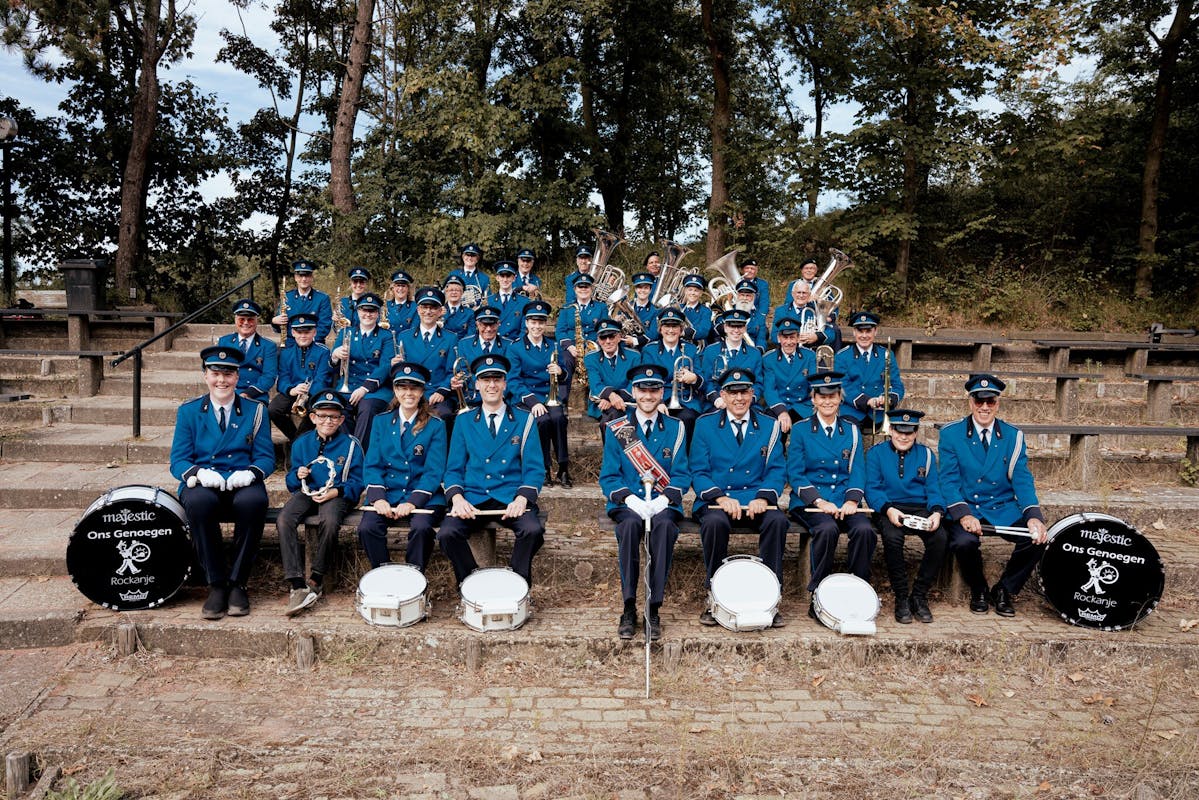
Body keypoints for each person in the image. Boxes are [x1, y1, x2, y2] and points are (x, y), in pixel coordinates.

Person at [169, 346, 275, 620]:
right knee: (198, 503)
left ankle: (238, 582)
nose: (221, 380)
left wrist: (251, 473)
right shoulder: (189, 411)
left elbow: (265, 457)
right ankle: (216, 583)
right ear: (205, 375)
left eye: (228, 374)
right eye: (215, 373)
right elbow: (178, 460)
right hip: (205, 481)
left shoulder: (256, 411)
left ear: (237, 377)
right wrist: (198, 473)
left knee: (254, 501)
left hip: (241, 479)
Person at [938, 374, 1048, 617]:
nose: (985, 407)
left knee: (1037, 539)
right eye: (979, 401)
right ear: (970, 402)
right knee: (963, 542)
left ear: (998, 403)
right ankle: (978, 589)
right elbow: (948, 480)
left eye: (991, 401)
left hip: (1001, 508)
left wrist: (1033, 515)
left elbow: (1021, 478)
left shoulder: (1013, 436)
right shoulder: (951, 434)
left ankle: (1004, 590)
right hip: (967, 506)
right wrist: (963, 514)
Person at [437, 354, 546, 588]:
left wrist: (522, 498)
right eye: (486, 380)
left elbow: (535, 469)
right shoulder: (464, 421)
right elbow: (453, 469)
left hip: (510, 496)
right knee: (446, 534)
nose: (492, 385)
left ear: (505, 383)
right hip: (474, 497)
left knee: (533, 530)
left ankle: (516, 586)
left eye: (497, 379)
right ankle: (472, 583)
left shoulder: (524, 420)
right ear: (476, 384)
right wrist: (457, 498)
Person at [691, 367, 789, 627]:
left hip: (755, 498)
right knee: (714, 523)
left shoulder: (769, 425)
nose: (739, 398)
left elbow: (777, 469)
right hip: (718, 500)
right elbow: (699, 471)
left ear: (752, 394)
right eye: (732, 393)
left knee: (777, 521)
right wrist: (720, 498)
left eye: (744, 392)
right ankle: (714, 597)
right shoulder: (705, 424)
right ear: (723, 395)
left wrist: (764, 498)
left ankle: (771, 599)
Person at [599, 364, 690, 641]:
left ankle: (653, 607)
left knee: (664, 528)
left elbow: (682, 473)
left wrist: (664, 499)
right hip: (628, 504)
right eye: (642, 390)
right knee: (628, 528)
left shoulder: (676, 427)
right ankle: (629, 607)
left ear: (662, 393)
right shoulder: (617, 428)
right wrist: (629, 499)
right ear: (633, 392)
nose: (648, 396)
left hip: (663, 503)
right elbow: (609, 476)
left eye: (654, 390)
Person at [787, 371, 876, 621]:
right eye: (822, 397)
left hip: (844, 499)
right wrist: (819, 501)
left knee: (865, 530)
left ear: (840, 398)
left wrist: (852, 500)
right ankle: (819, 594)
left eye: (833, 396)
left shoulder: (852, 430)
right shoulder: (801, 429)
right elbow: (795, 474)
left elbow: (858, 470)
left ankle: (858, 588)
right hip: (810, 501)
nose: (827, 401)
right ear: (813, 399)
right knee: (827, 530)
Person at [275, 390, 365, 616]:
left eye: (334, 417)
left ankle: (316, 578)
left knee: (330, 520)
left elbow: (358, 482)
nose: (328, 421)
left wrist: (336, 492)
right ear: (313, 417)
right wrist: (298, 475)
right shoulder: (301, 443)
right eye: (323, 416)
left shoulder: (352, 445)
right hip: (308, 492)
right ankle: (296, 583)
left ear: (341, 420)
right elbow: (291, 481)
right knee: (284, 519)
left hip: (336, 494)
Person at [358, 362, 448, 572]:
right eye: (402, 387)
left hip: (423, 495)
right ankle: (384, 573)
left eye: (414, 388)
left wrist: (412, 502)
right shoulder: (380, 422)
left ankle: (413, 578)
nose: (408, 393)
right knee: (367, 528)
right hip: (388, 493)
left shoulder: (436, 425)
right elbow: (372, 465)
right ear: (395, 390)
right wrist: (378, 498)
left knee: (422, 528)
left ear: (422, 392)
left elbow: (434, 471)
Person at [864, 409, 946, 624]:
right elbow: (872, 488)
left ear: (916, 433)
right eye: (899, 431)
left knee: (940, 537)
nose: (903, 436)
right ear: (891, 430)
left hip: (920, 507)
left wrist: (937, 512)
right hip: (889, 507)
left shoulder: (927, 455)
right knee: (893, 538)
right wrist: (888, 509)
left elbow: (934, 488)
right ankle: (901, 596)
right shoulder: (875, 454)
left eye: (909, 432)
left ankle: (919, 595)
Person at [508, 300, 572, 487]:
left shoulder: (553, 345)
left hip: (549, 395)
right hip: (527, 397)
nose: (537, 326)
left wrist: (560, 371)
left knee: (559, 418)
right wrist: (533, 402)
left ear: (545, 324)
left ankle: (563, 468)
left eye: (541, 322)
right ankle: (544, 468)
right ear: (526, 323)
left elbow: (565, 376)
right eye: (533, 322)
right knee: (542, 421)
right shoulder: (515, 347)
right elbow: (513, 381)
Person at [329, 292, 395, 447]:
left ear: (378, 313)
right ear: (358, 311)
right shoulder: (346, 332)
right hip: (349, 384)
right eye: (364, 310)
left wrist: (365, 388)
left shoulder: (386, 336)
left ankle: (357, 451)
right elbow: (332, 364)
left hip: (375, 388)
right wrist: (335, 355)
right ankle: (347, 448)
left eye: (372, 311)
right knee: (337, 408)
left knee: (367, 407)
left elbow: (385, 366)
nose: (368, 314)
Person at [638, 307, 703, 441]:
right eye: (667, 326)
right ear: (660, 329)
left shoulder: (690, 349)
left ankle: (683, 453)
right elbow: (648, 380)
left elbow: (701, 376)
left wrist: (693, 378)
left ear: (681, 329)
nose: (671, 330)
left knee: (688, 419)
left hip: (685, 399)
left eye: (675, 326)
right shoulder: (650, 350)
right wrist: (658, 402)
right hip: (658, 398)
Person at [834, 311, 904, 431]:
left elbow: (897, 384)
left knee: (903, 431)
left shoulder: (887, 354)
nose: (864, 335)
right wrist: (866, 401)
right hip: (853, 410)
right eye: (860, 331)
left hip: (880, 412)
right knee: (850, 432)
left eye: (868, 331)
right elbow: (843, 386)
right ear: (854, 332)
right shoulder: (842, 356)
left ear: (875, 331)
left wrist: (888, 398)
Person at [269, 313, 333, 441]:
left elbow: (322, 379)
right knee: (273, 409)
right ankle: (296, 439)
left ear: (314, 332)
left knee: (314, 411)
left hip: (314, 393)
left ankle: (299, 441)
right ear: (293, 333)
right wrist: (291, 390)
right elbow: (283, 378)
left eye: (307, 332)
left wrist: (307, 392)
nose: (303, 335)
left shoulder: (323, 352)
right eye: (299, 332)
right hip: (293, 390)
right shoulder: (286, 353)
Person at [396, 287, 455, 421]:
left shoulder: (450, 338)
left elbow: (452, 371)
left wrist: (441, 391)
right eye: (424, 307)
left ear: (440, 311)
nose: (428, 311)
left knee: (442, 415)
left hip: (437, 392)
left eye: (433, 308)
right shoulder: (404, 337)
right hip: (411, 392)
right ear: (418, 310)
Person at [761, 317, 818, 432]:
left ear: (798, 338)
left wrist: (816, 402)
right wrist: (781, 411)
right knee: (774, 428)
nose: (788, 342)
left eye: (792, 337)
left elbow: (814, 383)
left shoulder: (809, 356)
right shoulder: (769, 359)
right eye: (785, 338)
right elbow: (769, 390)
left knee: (810, 430)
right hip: (779, 403)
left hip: (802, 405)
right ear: (779, 338)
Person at [699, 309, 763, 409]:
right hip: (719, 403)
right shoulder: (710, 351)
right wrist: (715, 398)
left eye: (740, 326)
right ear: (725, 328)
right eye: (732, 326)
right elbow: (707, 381)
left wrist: (748, 400)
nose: (736, 330)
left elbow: (758, 384)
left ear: (745, 328)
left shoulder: (755, 353)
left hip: (746, 404)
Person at [217, 299, 277, 403]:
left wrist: (248, 393)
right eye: (241, 319)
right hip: (228, 392)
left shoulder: (268, 346)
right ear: (235, 320)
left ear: (256, 321)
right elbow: (217, 370)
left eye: (250, 319)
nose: (246, 323)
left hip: (255, 395)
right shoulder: (225, 342)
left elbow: (269, 376)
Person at [452, 305, 507, 411]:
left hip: (500, 396)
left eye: (492, 324)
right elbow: (462, 371)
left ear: (498, 324)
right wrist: (457, 381)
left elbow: (510, 375)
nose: (488, 329)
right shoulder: (464, 344)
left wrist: (500, 395)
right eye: (484, 325)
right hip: (473, 397)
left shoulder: (508, 345)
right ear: (477, 324)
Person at [585, 317, 638, 425]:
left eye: (611, 336)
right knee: (611, 417)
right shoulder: (591, 358)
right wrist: (610, 396)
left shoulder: (634, 356)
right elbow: (595, 384)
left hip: (627, 401)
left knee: (612, 418)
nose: (608, 341)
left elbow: (634, 382)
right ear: (598, 340)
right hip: (601, 403)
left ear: (619, 337)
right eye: (603, 338)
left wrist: (613, 398)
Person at [272, 259, 333, 345]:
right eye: (300, 275)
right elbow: (281, 328)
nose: (304, 279)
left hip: (314, 344)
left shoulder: (322, 298)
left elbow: (324, 325)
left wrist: (306, 341)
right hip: (291, 345)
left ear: (312, 277)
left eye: (307, 275)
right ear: (295, 277)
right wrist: (275, 322)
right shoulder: (287, 297)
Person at [770, 280, 835, 349]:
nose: (801, 295)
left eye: (804, 293)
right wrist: (793, 339)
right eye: (798, 292)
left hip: (810, 350)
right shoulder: (781, 311)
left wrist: (817, 336)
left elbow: (831, 334)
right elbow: (774, 336)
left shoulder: (816, 310)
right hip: (788, 349)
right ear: (792, 294)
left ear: (809, 295)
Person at [487, 260, 529, 341]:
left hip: (514, 344)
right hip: (495, 343)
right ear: (497, 278)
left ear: (514, 278)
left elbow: (524, 329)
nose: (505, 280)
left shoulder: (524, 302)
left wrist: (516, 344)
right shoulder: (489, 300)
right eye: (502, 276)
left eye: (508, 276)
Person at [679, 274, 714, 347]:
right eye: (690, 290)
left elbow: (704, 330)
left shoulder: (706, 311)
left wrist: (683, 333)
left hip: (696, 348)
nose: (693, 293)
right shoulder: (678, 308)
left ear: (701, 293)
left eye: (696, 290)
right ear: (685, 291)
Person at [732, 280, 767, 347]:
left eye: (748, 296)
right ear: (737, 296)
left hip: (750, 350)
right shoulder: (727, 312)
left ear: (753, 298)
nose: (745, 298)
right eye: (742, 295)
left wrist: (758, 350)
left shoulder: (759, 317)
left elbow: (761, 340)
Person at [440, 275, 476, 339]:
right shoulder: (437, 311)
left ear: (462, 293)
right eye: (451, 290)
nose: (454, 292)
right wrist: (437, 317)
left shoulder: (470, 313)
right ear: (446, 292)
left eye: (457, 290)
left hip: (462, 344)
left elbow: (470, 336)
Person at [384, 270, 419, 335]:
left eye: (403, 286)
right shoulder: (385, 306)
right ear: (393, 288)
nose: (400, 288)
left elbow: (414, 331)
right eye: (398, 285)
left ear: (408, 289)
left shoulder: (415, 307)